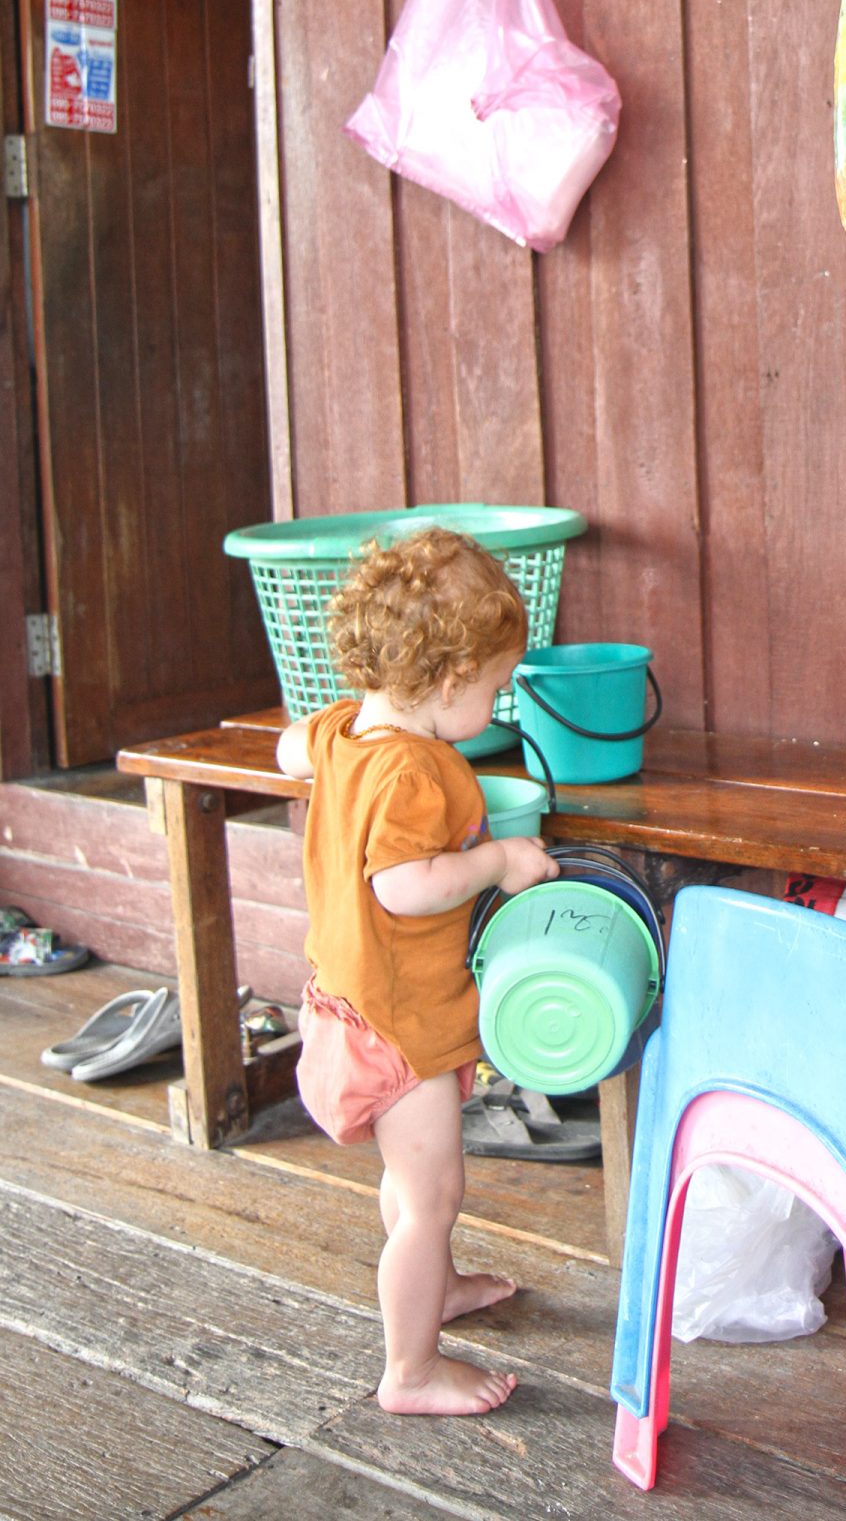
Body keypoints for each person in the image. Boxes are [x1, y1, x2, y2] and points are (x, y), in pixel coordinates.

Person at [277, 526, 558, 1416]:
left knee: (412, 1185)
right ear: (444, 685)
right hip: (397, 1029)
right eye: (493, 687)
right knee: (432, 1194)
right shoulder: (410, 770)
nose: (499, 698)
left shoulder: (344, 730)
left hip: (348, 1002)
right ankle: (410, 1370)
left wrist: (333, 742)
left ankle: (433, 1283)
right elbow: (405, 887)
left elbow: (290, 749)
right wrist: (498, 862)